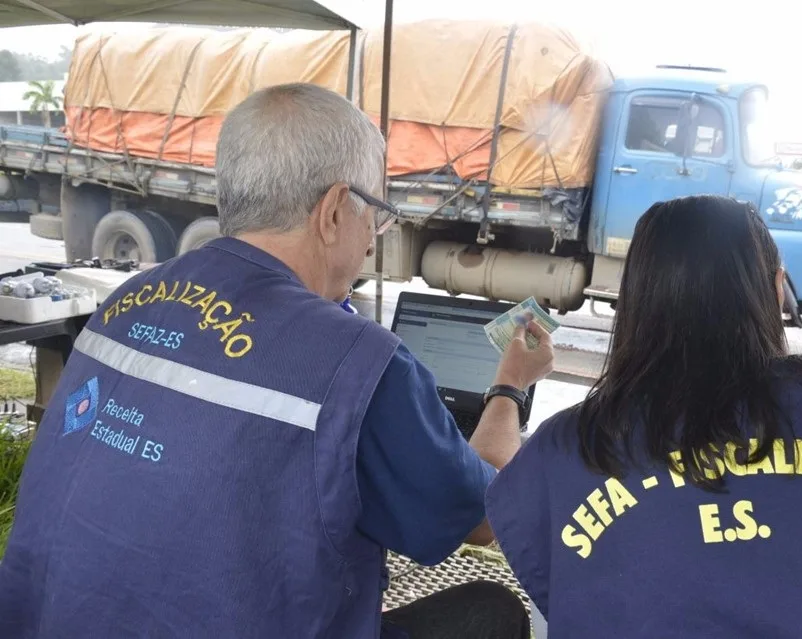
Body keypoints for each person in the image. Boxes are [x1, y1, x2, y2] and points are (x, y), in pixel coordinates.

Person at [0, 83, 554, 639]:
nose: (371, 244)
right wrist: (509, 388)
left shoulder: (124, 303)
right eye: (377, 216)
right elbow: (484, 514)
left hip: (45, 618)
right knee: (493, 609)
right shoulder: (356, 364)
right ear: (335, 211)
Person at [486, 195, 802, 638]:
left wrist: (509, 387)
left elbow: (487, 491)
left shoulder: (576, 443)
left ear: (634, 304)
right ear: (777, 289)